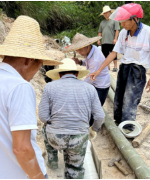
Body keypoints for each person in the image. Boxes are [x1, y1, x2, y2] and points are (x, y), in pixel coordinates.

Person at [0, 16, 62, 179]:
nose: (36, 72)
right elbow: (22, 148)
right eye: (39, 65)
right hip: (20, 173)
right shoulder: (19, 87)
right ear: (28, 60)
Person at [88, 3, 150, 133]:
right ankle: (118, 122)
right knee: (119, 97)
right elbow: (114, 53)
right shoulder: (123, 33)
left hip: (138, 70)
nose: (122, 25)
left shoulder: (149, 32)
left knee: (130, 100)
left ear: (135, 19)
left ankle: (127, 129)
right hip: (124, 68)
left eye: (124, 21)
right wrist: (99, 70)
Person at [39, 58, 105, 179]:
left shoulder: (49, 87)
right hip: (79, 138)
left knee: (45, 128)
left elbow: (43, 116)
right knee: (76, 167)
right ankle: (72, 170)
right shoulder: (90, 88)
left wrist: (53, 123)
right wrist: (93, 129)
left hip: (55, 139)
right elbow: (100, 116)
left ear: (59, 74)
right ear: (76, 73)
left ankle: (52, 160)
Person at [64, 33, 110, 126]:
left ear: (87, 46)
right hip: (94, 82)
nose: (79, 52)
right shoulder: (91, 51)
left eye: (81, 49)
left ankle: (91, 127)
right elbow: (87, 63)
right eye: (77, 50)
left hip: (101, 85)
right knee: (88, 105)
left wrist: (76, 87)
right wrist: (80, 62)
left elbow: (89, 78)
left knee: (96, 108)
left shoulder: (96, 59)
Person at [98, 5, 120, 72]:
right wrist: (98, 39)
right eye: (104, 13)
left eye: (107, 12)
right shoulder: (102, 22)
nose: (105, 14)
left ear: (110, 12)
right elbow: (100, 32)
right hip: (104, 41)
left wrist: (115, 38)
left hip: (112, 41)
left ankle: (115, 67)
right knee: (105, 54)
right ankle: (107, 67)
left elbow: (117, 30)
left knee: (113, 54)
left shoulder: (114, 20)